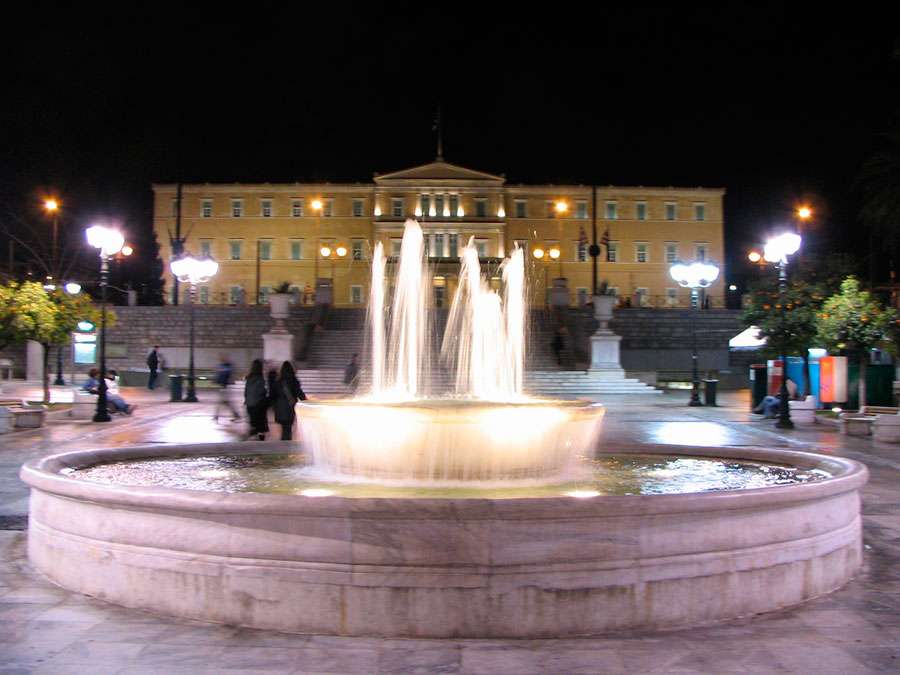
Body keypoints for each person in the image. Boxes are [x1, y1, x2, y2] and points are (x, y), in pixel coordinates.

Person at [272, 361, 306, 440]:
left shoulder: (278, 381)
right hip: (289, 407)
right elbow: (299, 393)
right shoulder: (293, 380)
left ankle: (283, 443)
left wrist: (274, 407)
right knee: (288, 428)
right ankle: (286, 444)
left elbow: (273, 395)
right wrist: (305, 400)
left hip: (280, 407)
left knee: (284, 428)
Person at [244, 359, 269, 440]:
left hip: (249, 404)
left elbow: (246, 391)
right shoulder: (260, 379)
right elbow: (261, 392)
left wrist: (247, 400)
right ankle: (260, 441)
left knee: (253, 423)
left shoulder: (249, 378)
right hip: (258, 404)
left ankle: (252, 438)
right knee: (261, 425)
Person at [213, 355, 240, 422]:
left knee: (222, 402)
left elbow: (224, 376)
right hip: (223, 386)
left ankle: (216, 416)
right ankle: (235, 415)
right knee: (225, 402)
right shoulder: (222, 366)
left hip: (226, 387)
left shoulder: (227, 366)